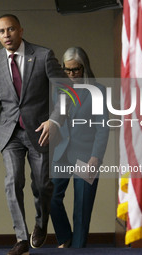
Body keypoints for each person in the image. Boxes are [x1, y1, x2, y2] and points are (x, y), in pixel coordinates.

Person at [0, 14, 68, 255]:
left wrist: (54, 120)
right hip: (9, 134)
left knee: (42, 185)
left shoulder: (43, 55)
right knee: (13, 180)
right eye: (1, 31)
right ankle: (21, 237)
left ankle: (41, 224)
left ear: (21, 30)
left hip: (40, 132)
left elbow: (67, 92)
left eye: (11, 29)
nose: (6, 35)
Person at [50, 47, 110, 248]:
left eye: (75, 69)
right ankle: (65, 237)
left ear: (84, 67)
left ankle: (77, 250)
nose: (71, 74)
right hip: (61, 153)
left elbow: (103, 127)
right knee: (49, 197)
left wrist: (96, 157)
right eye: (67, 70)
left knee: (82, 209)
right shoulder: (59, 89)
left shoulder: (98, 91)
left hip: (86, 155)